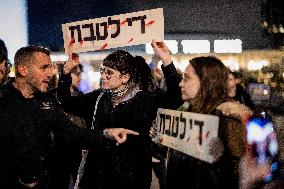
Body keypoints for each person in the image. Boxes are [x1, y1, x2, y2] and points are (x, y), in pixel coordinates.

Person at [0, 45, 138, 189]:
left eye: (51, 67)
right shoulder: (3, 100)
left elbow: (75, 134)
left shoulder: (47, 102)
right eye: (44, 68)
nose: (50, 73)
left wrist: (106, 133)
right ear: (23, 70)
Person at [57, 39, 183, 189]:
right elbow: (66, 102)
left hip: (131, 179)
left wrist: (166, 60)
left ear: (125, 77)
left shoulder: (144, 100)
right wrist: (66, 72)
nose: (103, 76)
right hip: (97, 178)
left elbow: (175, 99)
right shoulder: (97, 98)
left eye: (109, 73)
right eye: (103, 71)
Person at [165, 56, 253, 189]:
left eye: (187, 78)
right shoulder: (192, 113)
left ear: (206, 81)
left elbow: (239, 174)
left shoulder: (228, 119)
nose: (181, 83)